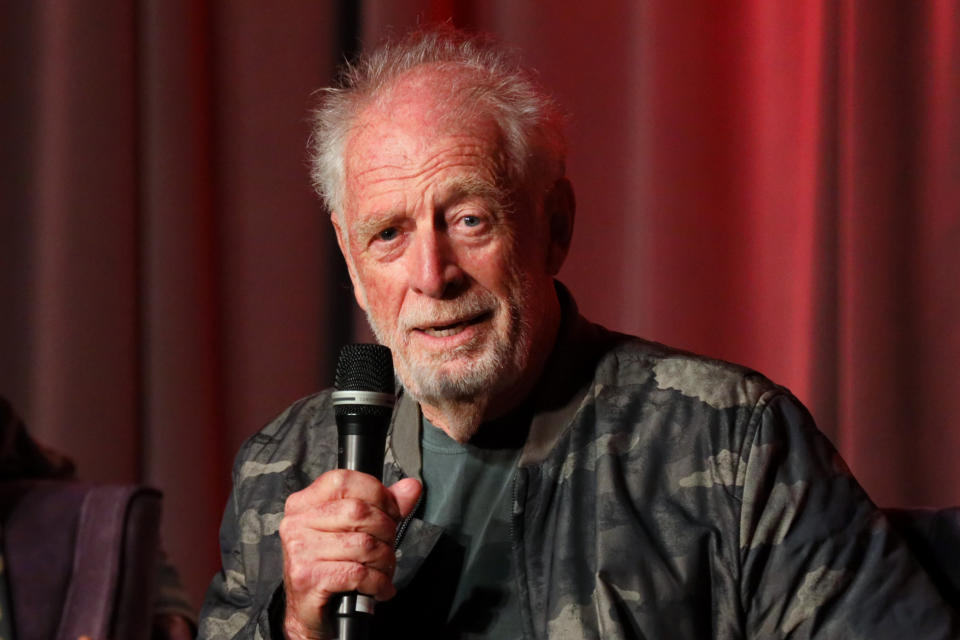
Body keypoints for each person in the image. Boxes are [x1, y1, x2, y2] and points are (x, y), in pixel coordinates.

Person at [198, 27, 958, 639]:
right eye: (389, 234)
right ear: (353, 263)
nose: (432, 275)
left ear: (553, 227)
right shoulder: (285, 467)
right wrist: (295, 625)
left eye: (469, 220)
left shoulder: (732, 443)